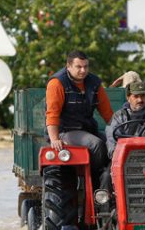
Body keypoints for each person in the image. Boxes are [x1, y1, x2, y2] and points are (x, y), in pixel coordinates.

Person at [45, 50, 113, 185]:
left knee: (114, 144)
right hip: (66, 131)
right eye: (79, 67)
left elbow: (108, 113)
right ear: (68, 66)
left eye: (86, 67)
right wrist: (54, 139)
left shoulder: (94, 83)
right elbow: (52, 113)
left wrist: (119, 134)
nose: (83, 70)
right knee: (97, 145)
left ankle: (111, 175)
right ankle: (97, 181)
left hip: (88, 129)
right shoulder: (57, 83)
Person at [100, 81, 145, 191]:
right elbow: (111, 140)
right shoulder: (119, 116)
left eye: (143, 96)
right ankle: (107, 204)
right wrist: (117, 157)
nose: (140, 100)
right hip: (124, 159)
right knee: (107, 176)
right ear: (128, 97)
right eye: (136, 96)